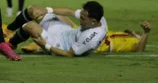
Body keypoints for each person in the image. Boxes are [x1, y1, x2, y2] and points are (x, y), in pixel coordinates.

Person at [0, 2, 107, 57]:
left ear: (93, 22)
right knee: (34, 10)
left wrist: (45, 46)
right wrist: (46, 10)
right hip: (66, 32)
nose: (80, 20)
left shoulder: (90, 38)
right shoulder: (96, 18)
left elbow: (69, 54)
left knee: (29, 26)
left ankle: (10, 44)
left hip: (59, 45)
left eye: (82, 18)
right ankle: (8, 30)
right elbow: (69, 12)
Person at [22, 21, 152, 54]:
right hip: (89, 35)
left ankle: (42, 46)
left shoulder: (131, 43)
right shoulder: (126, 36)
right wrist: (137, 34)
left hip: (95, 43)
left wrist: (145, 33)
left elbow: (139, 49)